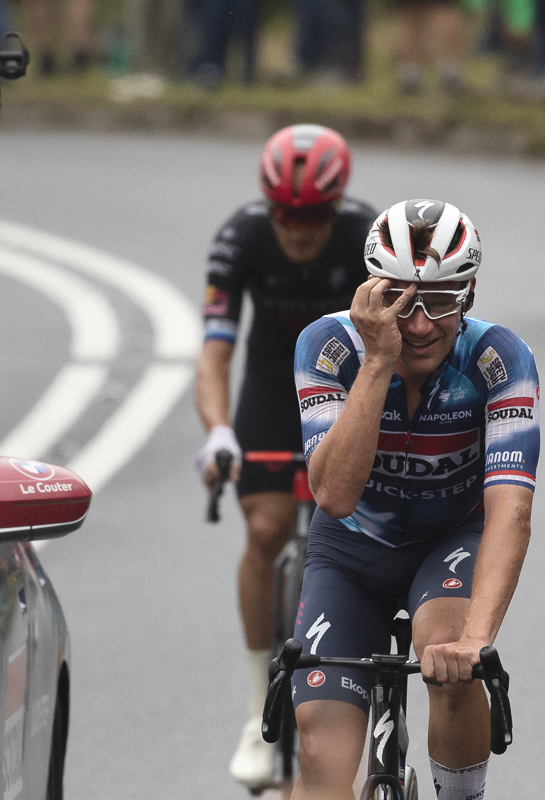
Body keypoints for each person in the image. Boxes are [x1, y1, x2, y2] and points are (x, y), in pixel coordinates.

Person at [289, 199, 539, 800]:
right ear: (373, 292)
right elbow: (335, 495)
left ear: (470, 292)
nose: (421, 324)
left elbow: (511, 510)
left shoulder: (499, 360)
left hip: (449, 544)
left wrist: (477, 639)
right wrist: (377, 362)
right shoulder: (330, 348)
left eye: (442, 300)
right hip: (349, 552)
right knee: (321, 754)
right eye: (402, 300)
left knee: (448, 658)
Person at [193, 123, 375, 789]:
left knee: (366, 532)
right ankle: (254, 713)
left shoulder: (368, 238)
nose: (297, 231)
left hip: (354, 392)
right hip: (274, 387)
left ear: (336, 206)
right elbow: (215, 352)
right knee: (267, 529)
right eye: (285, 215)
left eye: (312, 216)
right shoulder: (240, 237)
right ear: (269, 209)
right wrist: (218, 432)